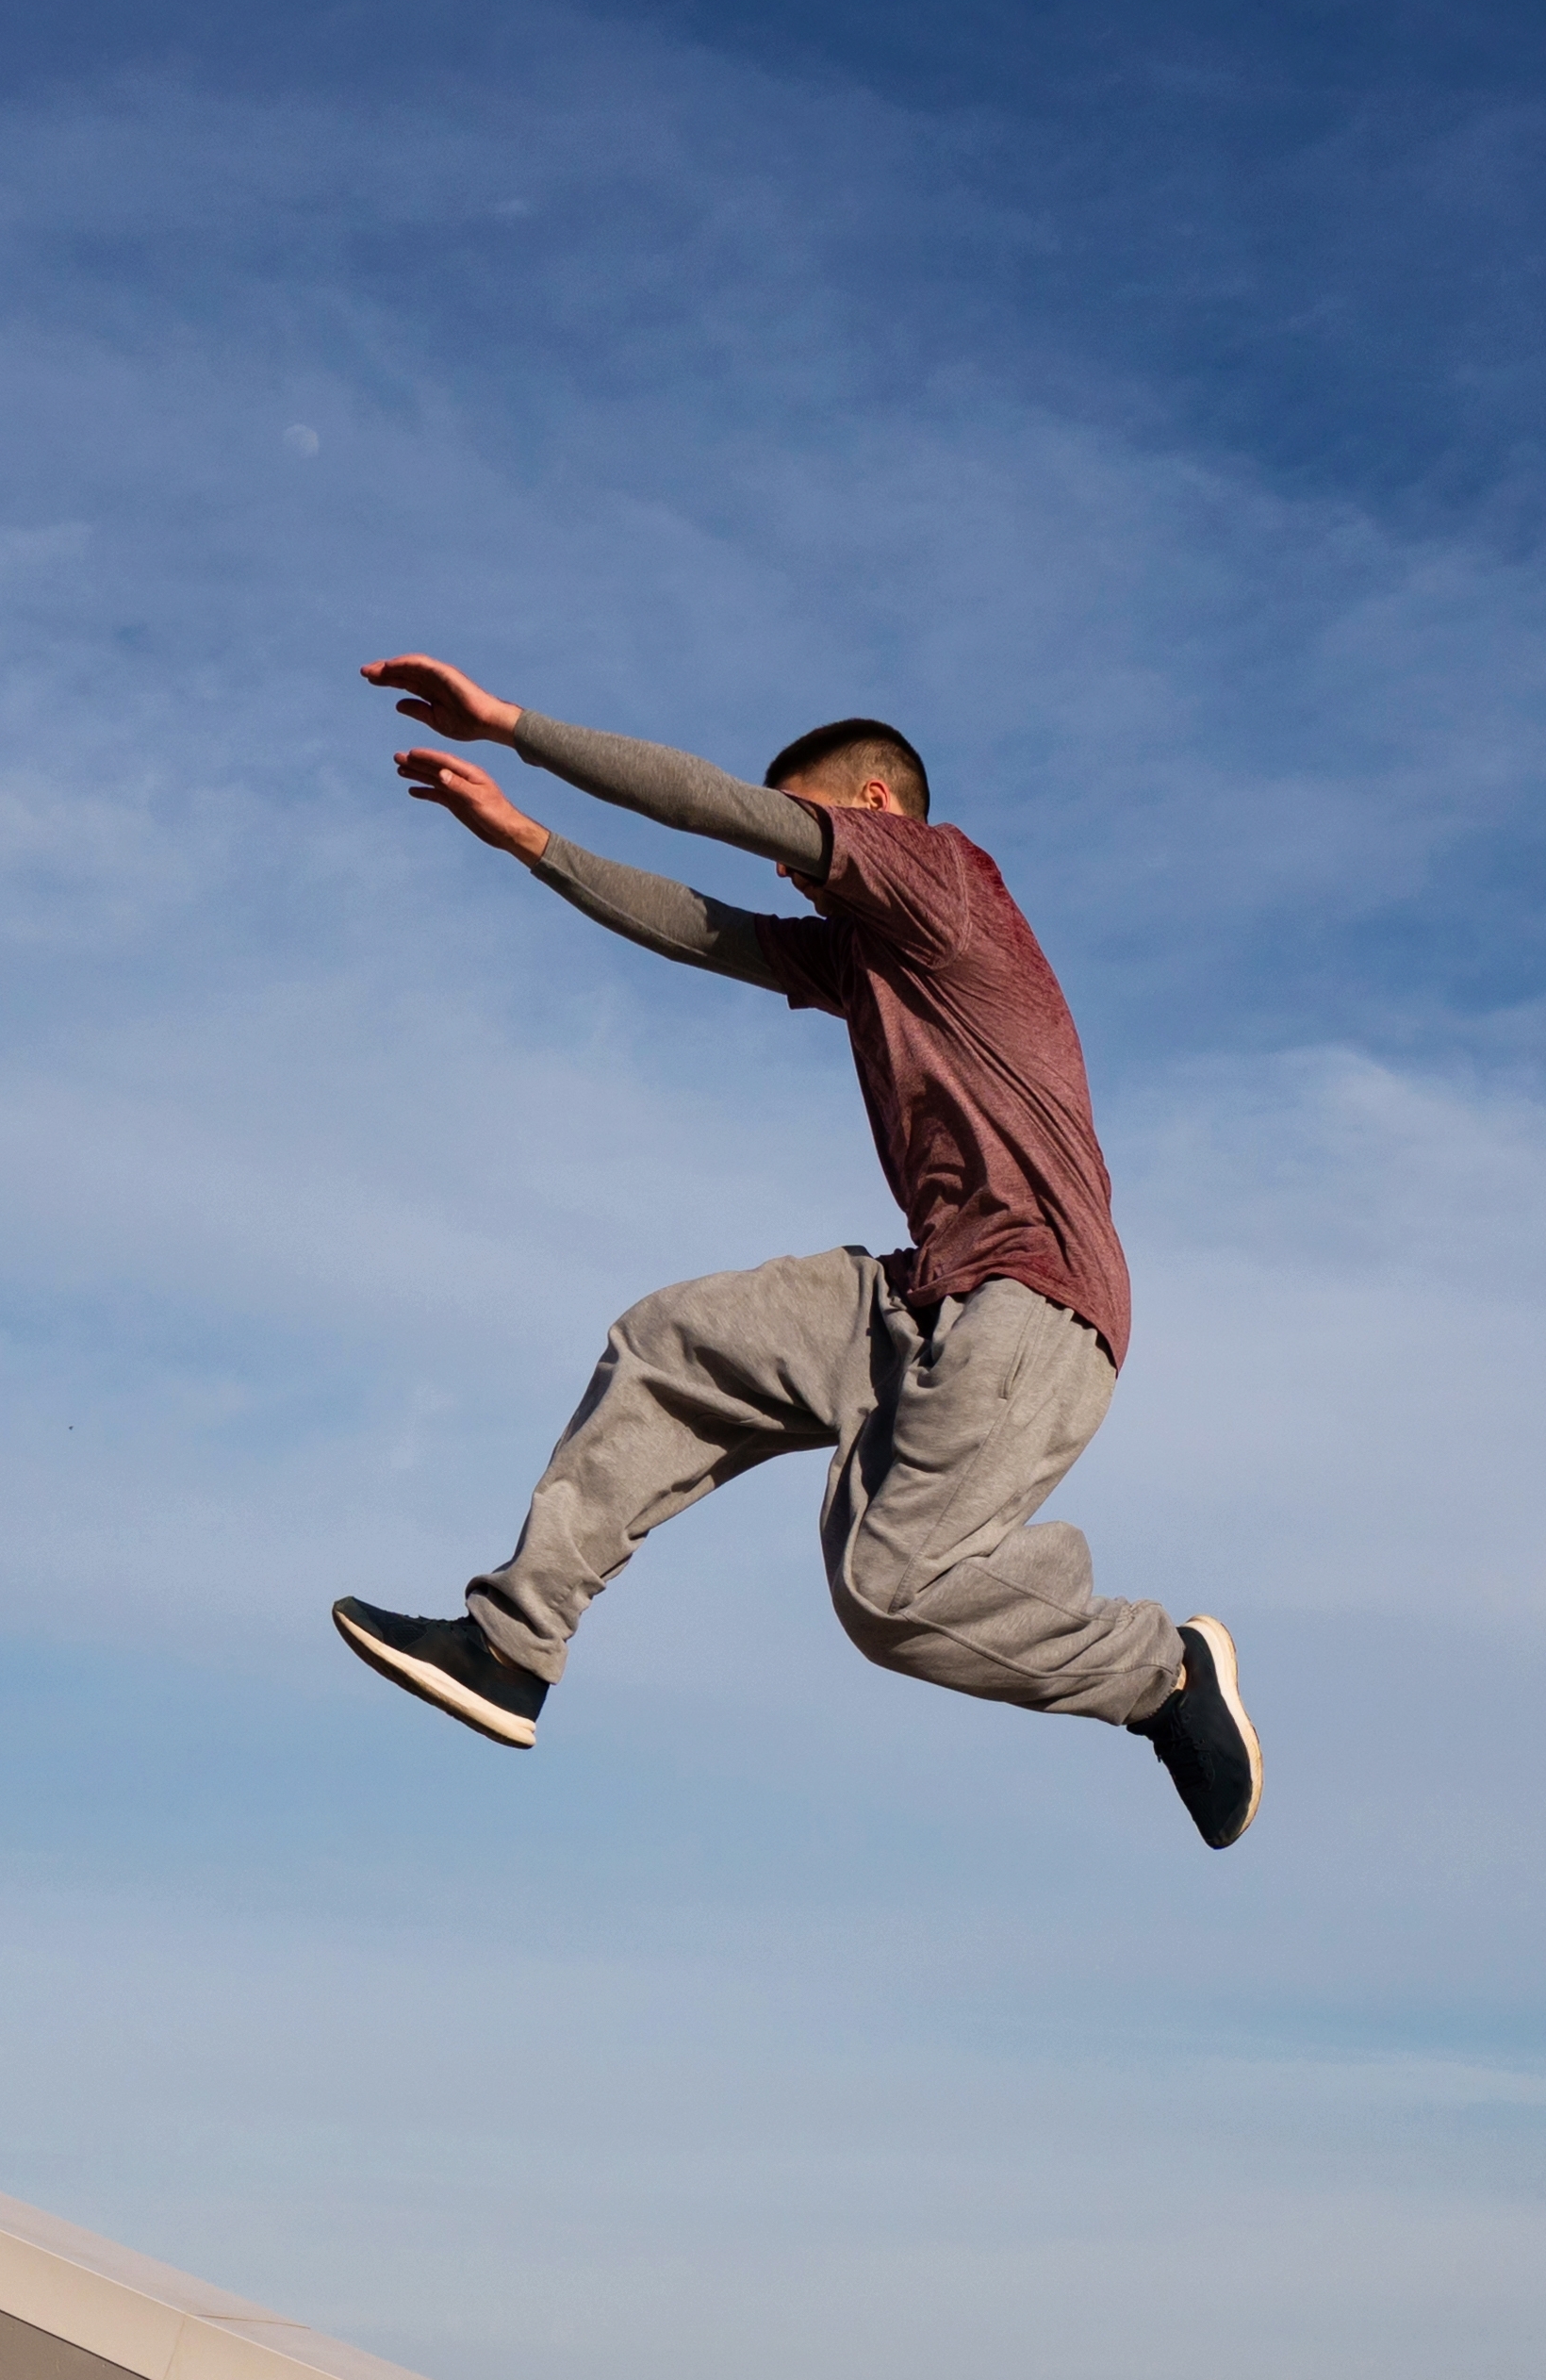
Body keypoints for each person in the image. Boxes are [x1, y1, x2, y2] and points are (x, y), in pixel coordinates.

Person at [326, 653, 1262, 1848]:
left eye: (803, 830)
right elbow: (704, 928)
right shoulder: (873, 956)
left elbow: (715, 808)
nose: (786, 865)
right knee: (670, 1343)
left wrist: (512, 727)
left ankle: (1159, 1670)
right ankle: (510, 1646)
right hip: (917, 1291)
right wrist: (528, 842)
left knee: (891, 1595)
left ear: (870, 808)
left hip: (1034, 1297)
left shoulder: (939, 875)